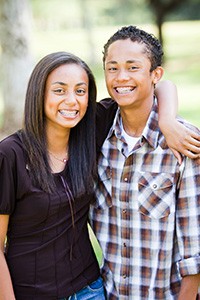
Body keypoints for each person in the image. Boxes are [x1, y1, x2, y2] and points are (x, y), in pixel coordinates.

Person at [90, 26, 200, 299]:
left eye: (133, 67)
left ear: (155, 75)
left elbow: (195, 248)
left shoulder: (183, 142)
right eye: (112, 68)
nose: (121, 77)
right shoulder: (97, 137)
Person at [0, 52, 105, 300]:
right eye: (59, 90)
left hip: (89, 289)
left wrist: (167, 121)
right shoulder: (10, 155)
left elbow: (155, 85)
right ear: (39, 94)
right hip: (31, 293)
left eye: (81, 91)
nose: (72, 101)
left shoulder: (91, 131)